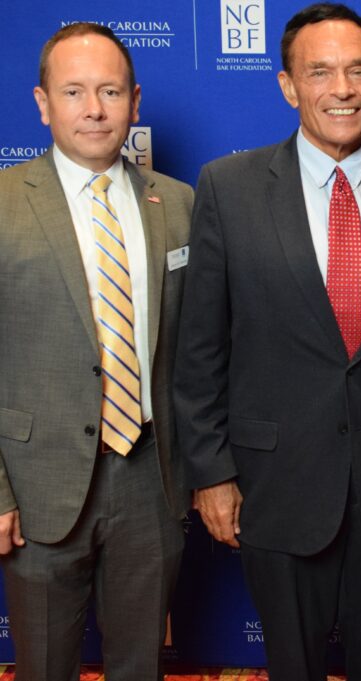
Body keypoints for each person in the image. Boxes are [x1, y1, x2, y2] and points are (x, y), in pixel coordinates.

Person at [173, 4, 361, 680]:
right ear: (287, 85)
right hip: (276, 480)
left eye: (358, 70)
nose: (343, 88)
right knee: (291, 666)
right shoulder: (228, 188)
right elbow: (201, 346)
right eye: (320, 71)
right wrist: (211, 471)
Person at [0, 22, 192, 681]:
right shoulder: (2, 204)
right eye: (74, 91)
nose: (94, 109)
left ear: (134, 101)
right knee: (44, 667)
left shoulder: (179, 206)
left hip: (151, 480)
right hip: (37, 486)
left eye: (110, 90)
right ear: (42, 102)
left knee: (139, 666)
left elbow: (197, 354)